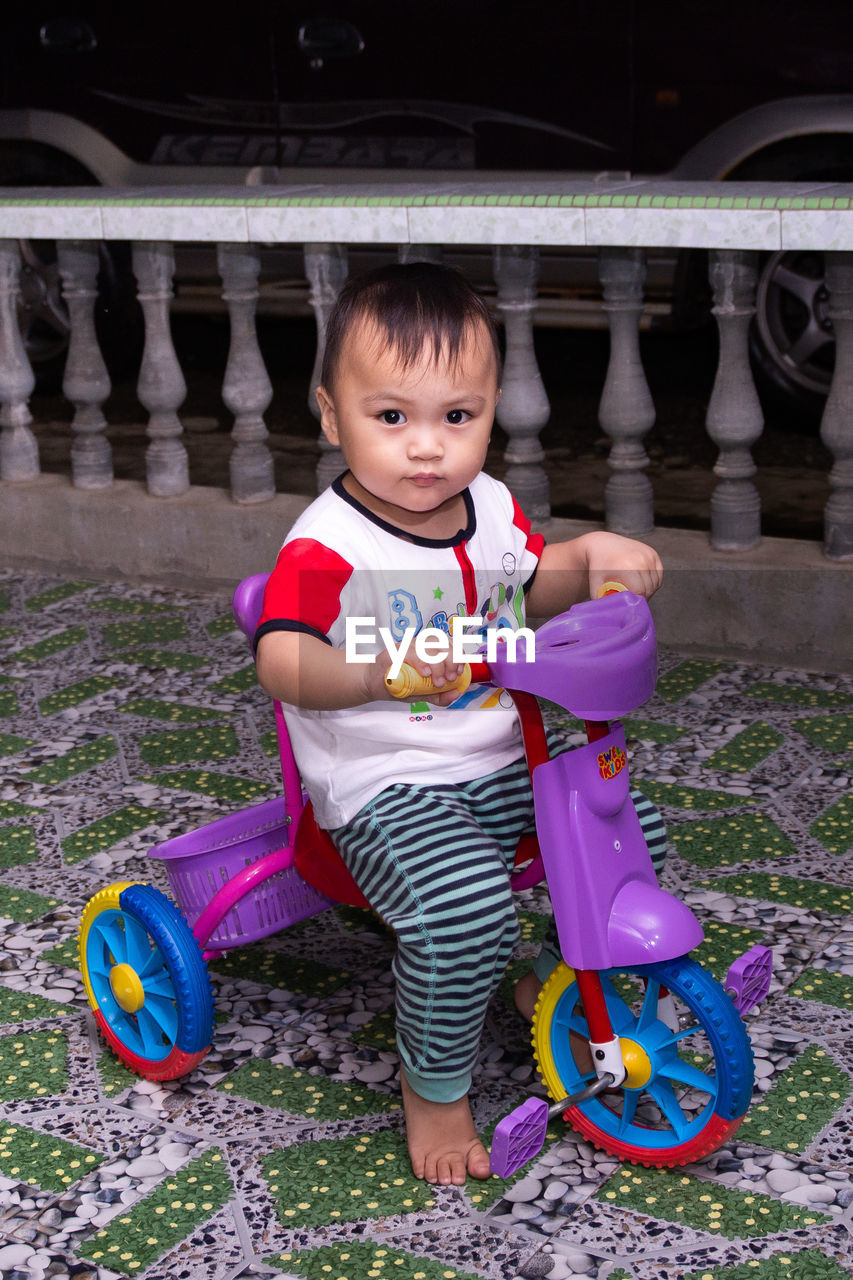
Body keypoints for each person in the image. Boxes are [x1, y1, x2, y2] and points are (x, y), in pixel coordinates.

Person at [254, 262, 663, 1187]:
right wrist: (375, 672)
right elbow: (282, 659)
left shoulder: (483, 508)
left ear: (489, 413)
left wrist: (588, 554)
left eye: (458, 416)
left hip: (494, 756)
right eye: (391, 417)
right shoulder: (328, 546)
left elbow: (529, 584)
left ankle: (555, 983)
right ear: (331, 416)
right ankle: (433, 1090)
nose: (428, 449)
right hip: (385, 784)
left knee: (626, 826)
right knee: (462, 906)